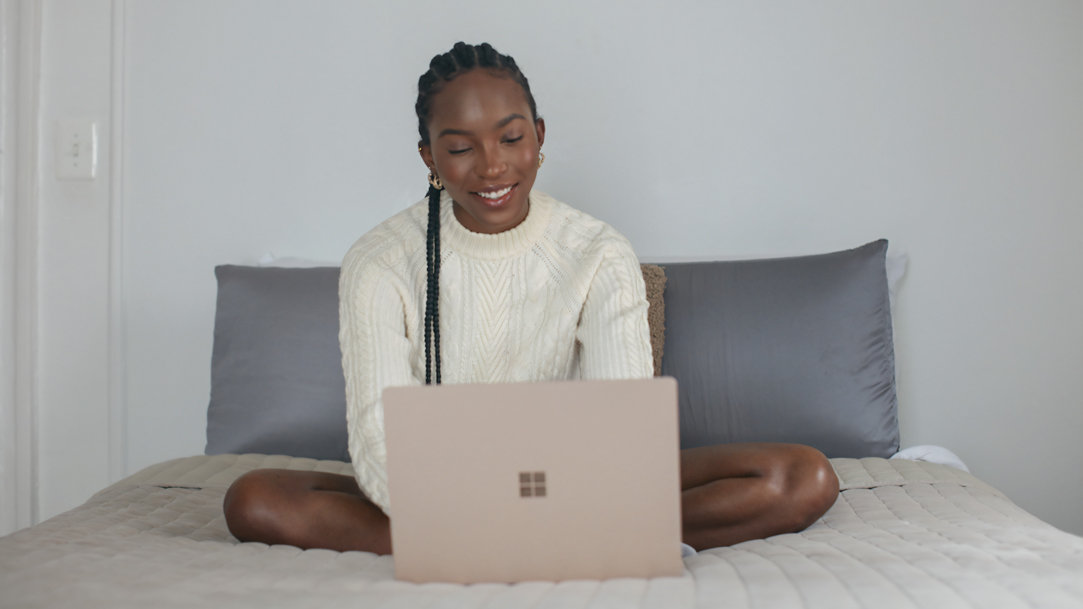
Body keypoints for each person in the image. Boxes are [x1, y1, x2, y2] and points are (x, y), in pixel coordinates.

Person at [223, 42, 839, 556]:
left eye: (510, 138)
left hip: (574, 480)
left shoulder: (598, 251)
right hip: (442, 484)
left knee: (801, 478)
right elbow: (379, 438)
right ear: (429, 157)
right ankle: (569, 542)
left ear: (538, 137)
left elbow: (621, 427)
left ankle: (512, 541)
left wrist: (557, 498)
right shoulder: (379, 261)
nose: (492, 167)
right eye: (461, 147)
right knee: (253, 500)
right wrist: (469, 506)